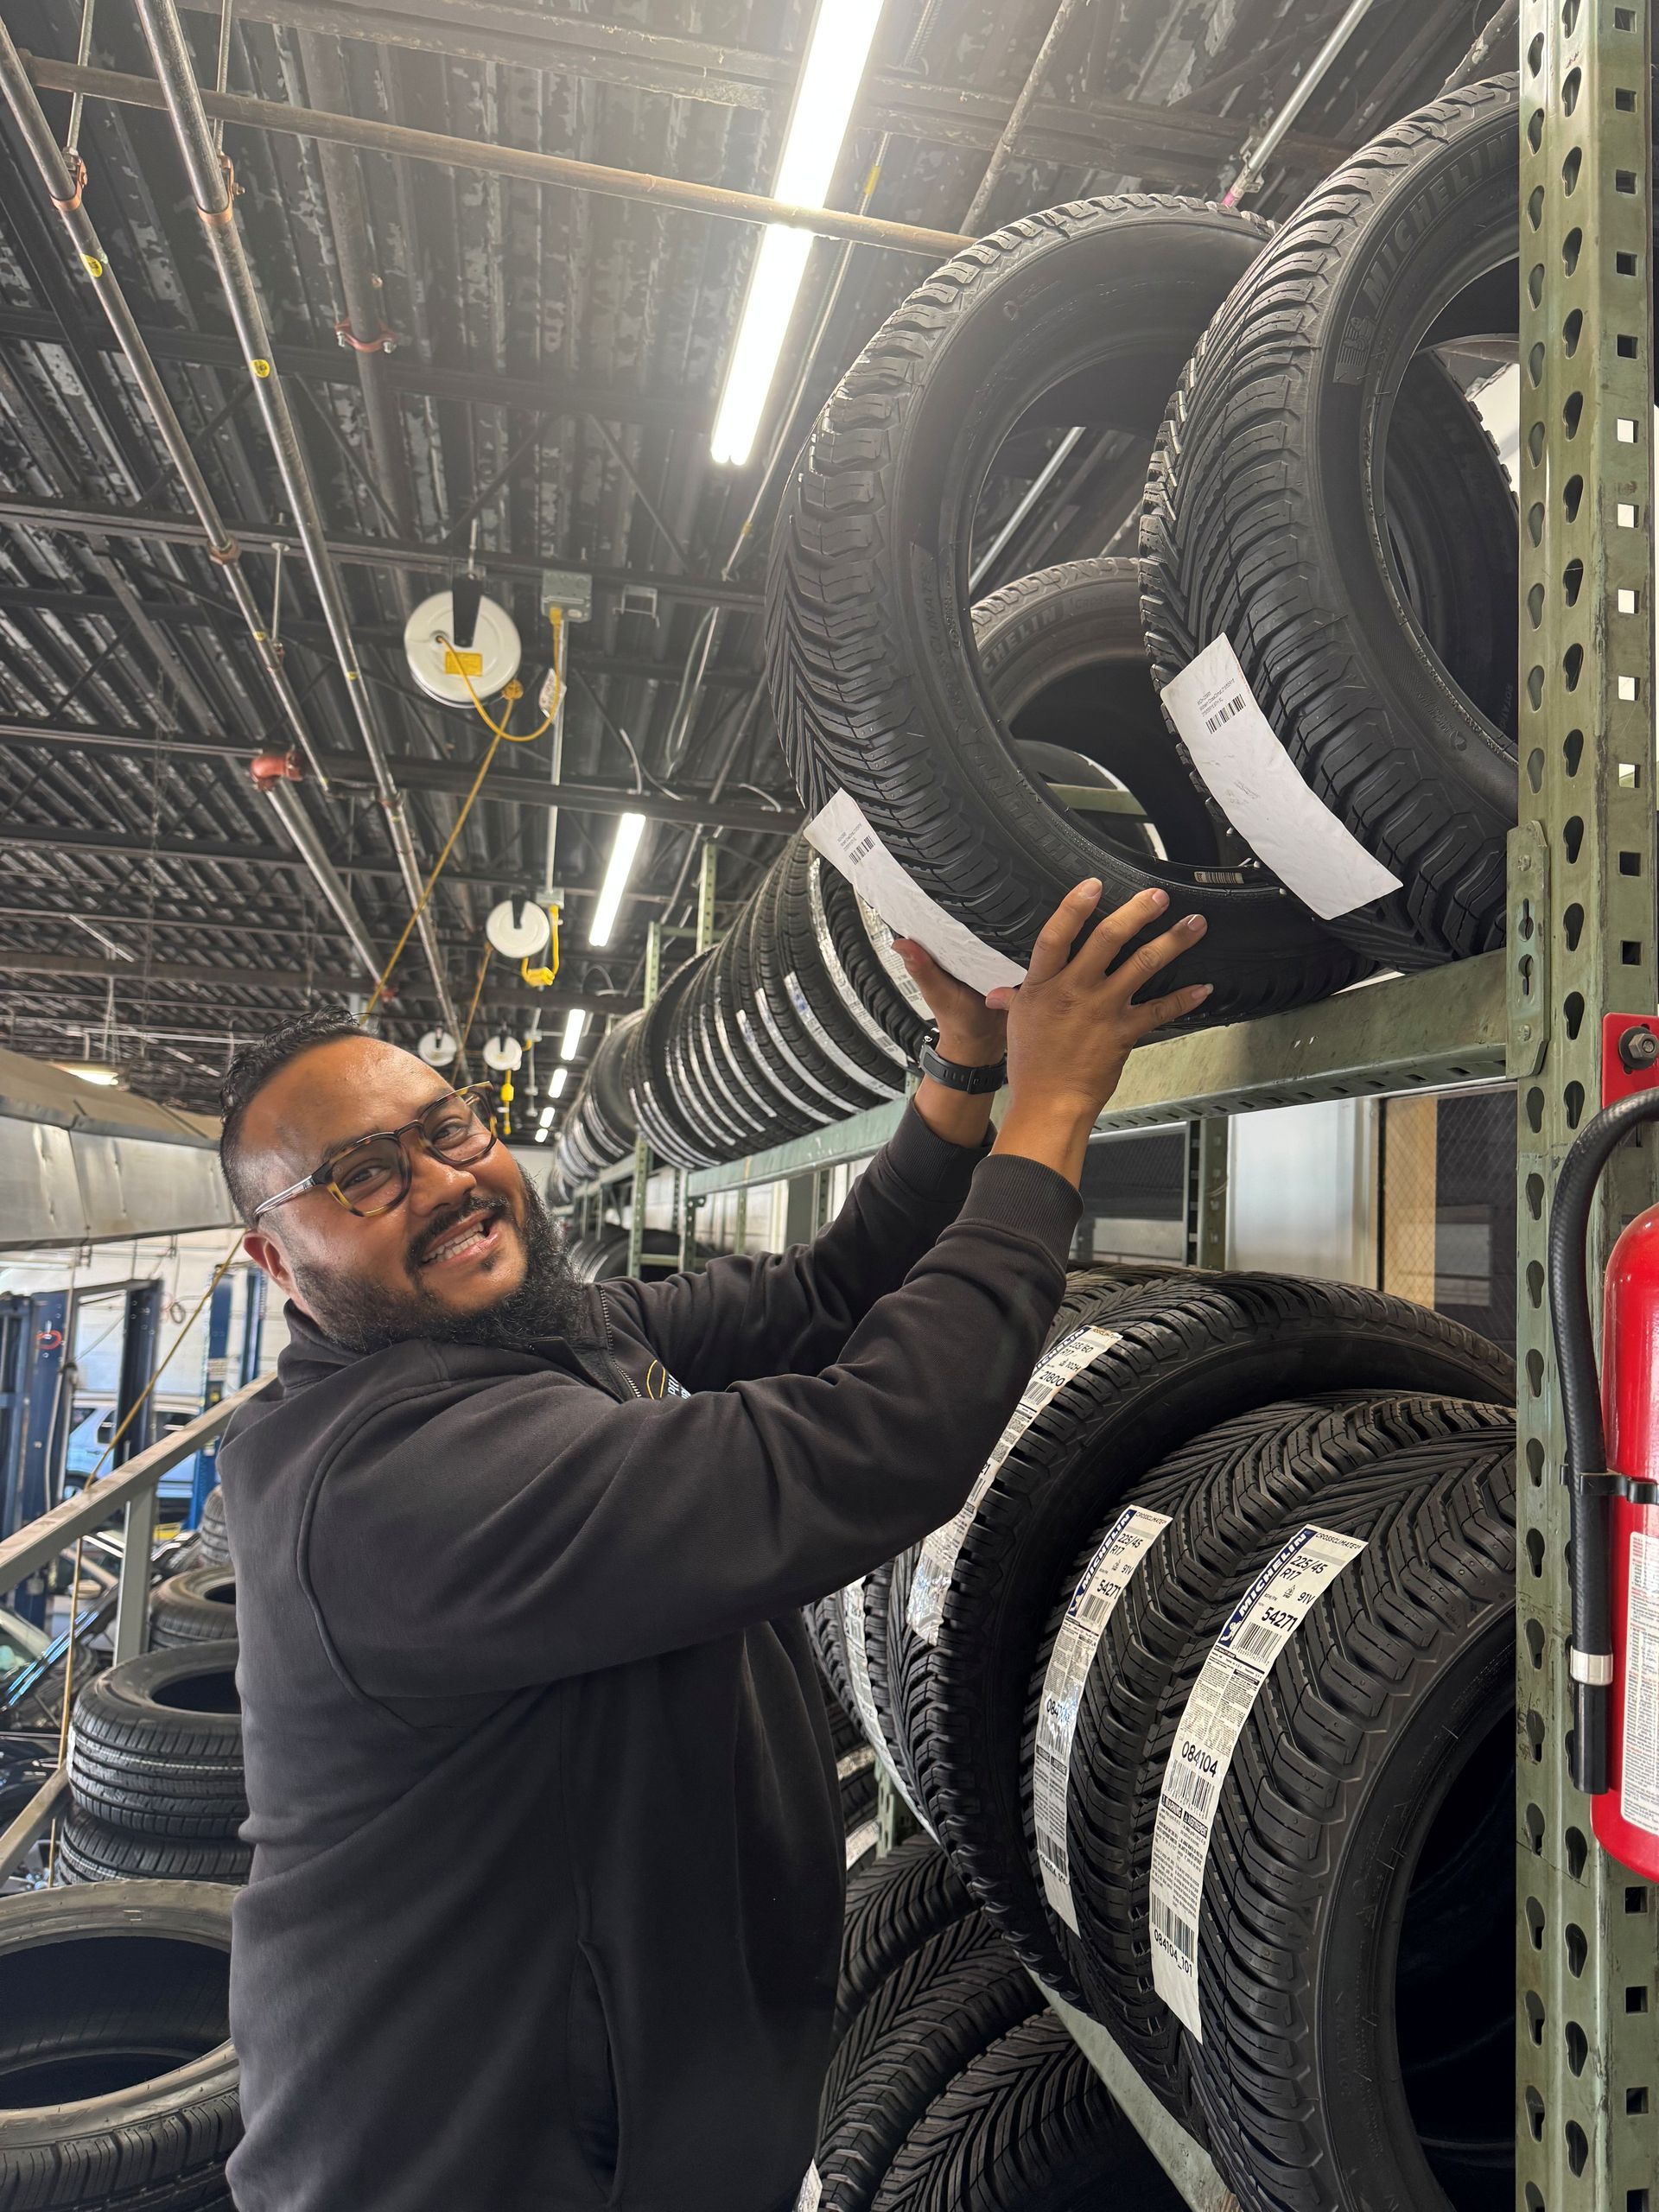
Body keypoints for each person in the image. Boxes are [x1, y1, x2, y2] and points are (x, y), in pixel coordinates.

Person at [213, 878, 1210, 2212]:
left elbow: (821, 1300)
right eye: (363, 1178)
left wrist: (965, 1074)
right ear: (277, 1263)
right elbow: (874, 1444)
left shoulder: (522, 1339)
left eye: (445, 1131)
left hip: (631, 2114)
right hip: (474, 2166)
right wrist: (1051, 1117)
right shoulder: (388, 1487)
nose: (442, 1185)